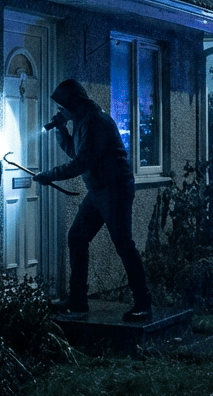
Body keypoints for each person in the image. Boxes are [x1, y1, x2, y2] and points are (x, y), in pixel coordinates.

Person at [33, 79, 154, 322]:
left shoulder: (95, 121)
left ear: (72, 103)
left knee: (123, 244)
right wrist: (61, 129)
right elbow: (76, 152)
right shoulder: (82, 121)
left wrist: (49, 175)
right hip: (99, 190)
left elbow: (80, 163)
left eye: (62, 106)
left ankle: (143, 303)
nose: (60, 111)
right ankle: (78, 299)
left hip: (114, 190)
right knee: (77, 237)